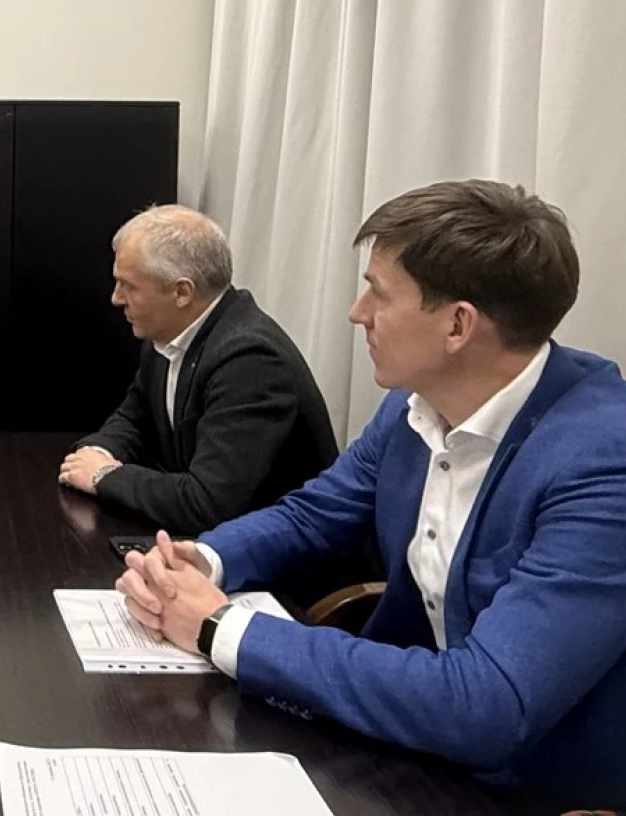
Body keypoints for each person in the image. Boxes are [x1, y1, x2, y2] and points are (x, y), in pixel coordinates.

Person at [117, 180, 626, 809]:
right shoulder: (413, 406)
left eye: (378, 293)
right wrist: (202, 559)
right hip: (399, 742)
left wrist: (221, 627)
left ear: (458, 325)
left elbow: (488, 704)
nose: (357, 313)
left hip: (529, 788)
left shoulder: (603, 462)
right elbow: (315, 515)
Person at [59, 205, 338, 535]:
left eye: (128, 286)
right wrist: (96, 452)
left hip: (282, 556)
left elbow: (208, 503)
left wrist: (104, 476)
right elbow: (134, 419)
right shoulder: (170, 332)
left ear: (181, 292)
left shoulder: (250, 360)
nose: (116, 298)